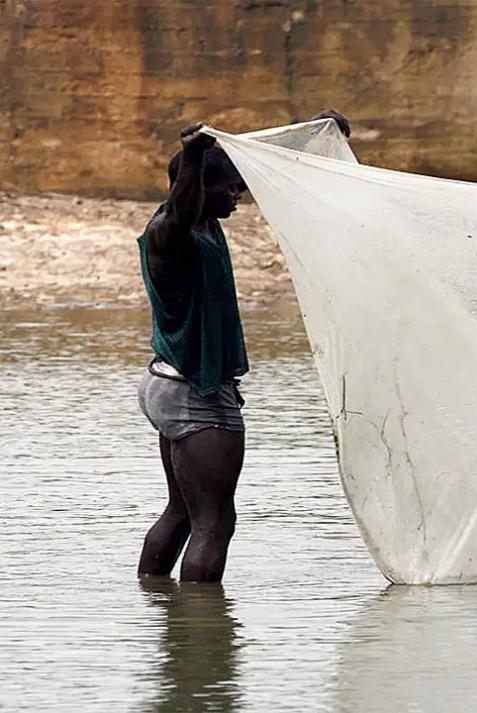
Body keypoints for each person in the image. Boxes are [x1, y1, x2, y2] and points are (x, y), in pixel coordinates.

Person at [136, 109, 351, 582]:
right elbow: (181, 205)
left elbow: (247, 170)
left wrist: (310, 133)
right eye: (228, 188)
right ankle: (203, 645)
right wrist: (193, 158)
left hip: (170, 383)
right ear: (193, 188)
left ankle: (155, 610)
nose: (239, 195)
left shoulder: (202, 225)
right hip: (196, 395)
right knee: (215, 523)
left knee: (183, 510)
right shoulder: (169, 236)